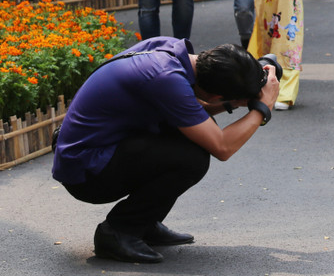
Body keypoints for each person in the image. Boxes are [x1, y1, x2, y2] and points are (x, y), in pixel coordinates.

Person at [52, 37, 280, 264]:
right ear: (216, 94)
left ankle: (144, 223)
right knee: (192, 158)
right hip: (86, 172)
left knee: (189, 140)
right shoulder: (165, 78)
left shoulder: (170, 52)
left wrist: (235, 99)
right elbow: (222, 146)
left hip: (99, 149)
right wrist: (263, 107)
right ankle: (119, 231)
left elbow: (194, 109)